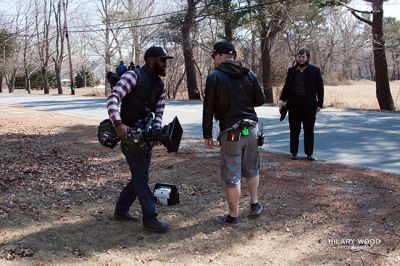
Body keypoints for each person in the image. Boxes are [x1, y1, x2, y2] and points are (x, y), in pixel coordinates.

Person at [106, 46, 173, 233]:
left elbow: (159, 112)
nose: (165, 64)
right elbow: (113, 99)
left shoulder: (159, 85)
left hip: (145, 137)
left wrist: (157, 131)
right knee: (141, 176)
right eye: (162, 60)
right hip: (128, 136)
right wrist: (119, 125)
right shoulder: (132, 76)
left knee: (140, 177)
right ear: (151, 60)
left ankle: (121, 211)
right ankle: (150, 219)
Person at [202, 41, 265, 227]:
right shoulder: (248, 73)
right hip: (251, 129)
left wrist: (207, 133)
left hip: (231, 132)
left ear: (220, 56)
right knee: (252, 168)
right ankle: (255, 204)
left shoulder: (214, 76)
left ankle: (233, 216)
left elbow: (209, 108)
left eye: (214, 56)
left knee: (232, 173)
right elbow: (260, 100)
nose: (214, 60)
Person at [278, 48, 324, 161]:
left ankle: (309, 153)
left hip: (309, 105)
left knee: (309, 130)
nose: (301, 59)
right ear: (297, 58)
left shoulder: (315, 70)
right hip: (294, 105)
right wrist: (282, 100)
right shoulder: (291, 71)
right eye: (299, 56)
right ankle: (294, 152)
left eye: (303, 57)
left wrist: (320, 104)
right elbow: (286, 86)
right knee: (294, 130)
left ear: (308, 58)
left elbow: (320, 88)